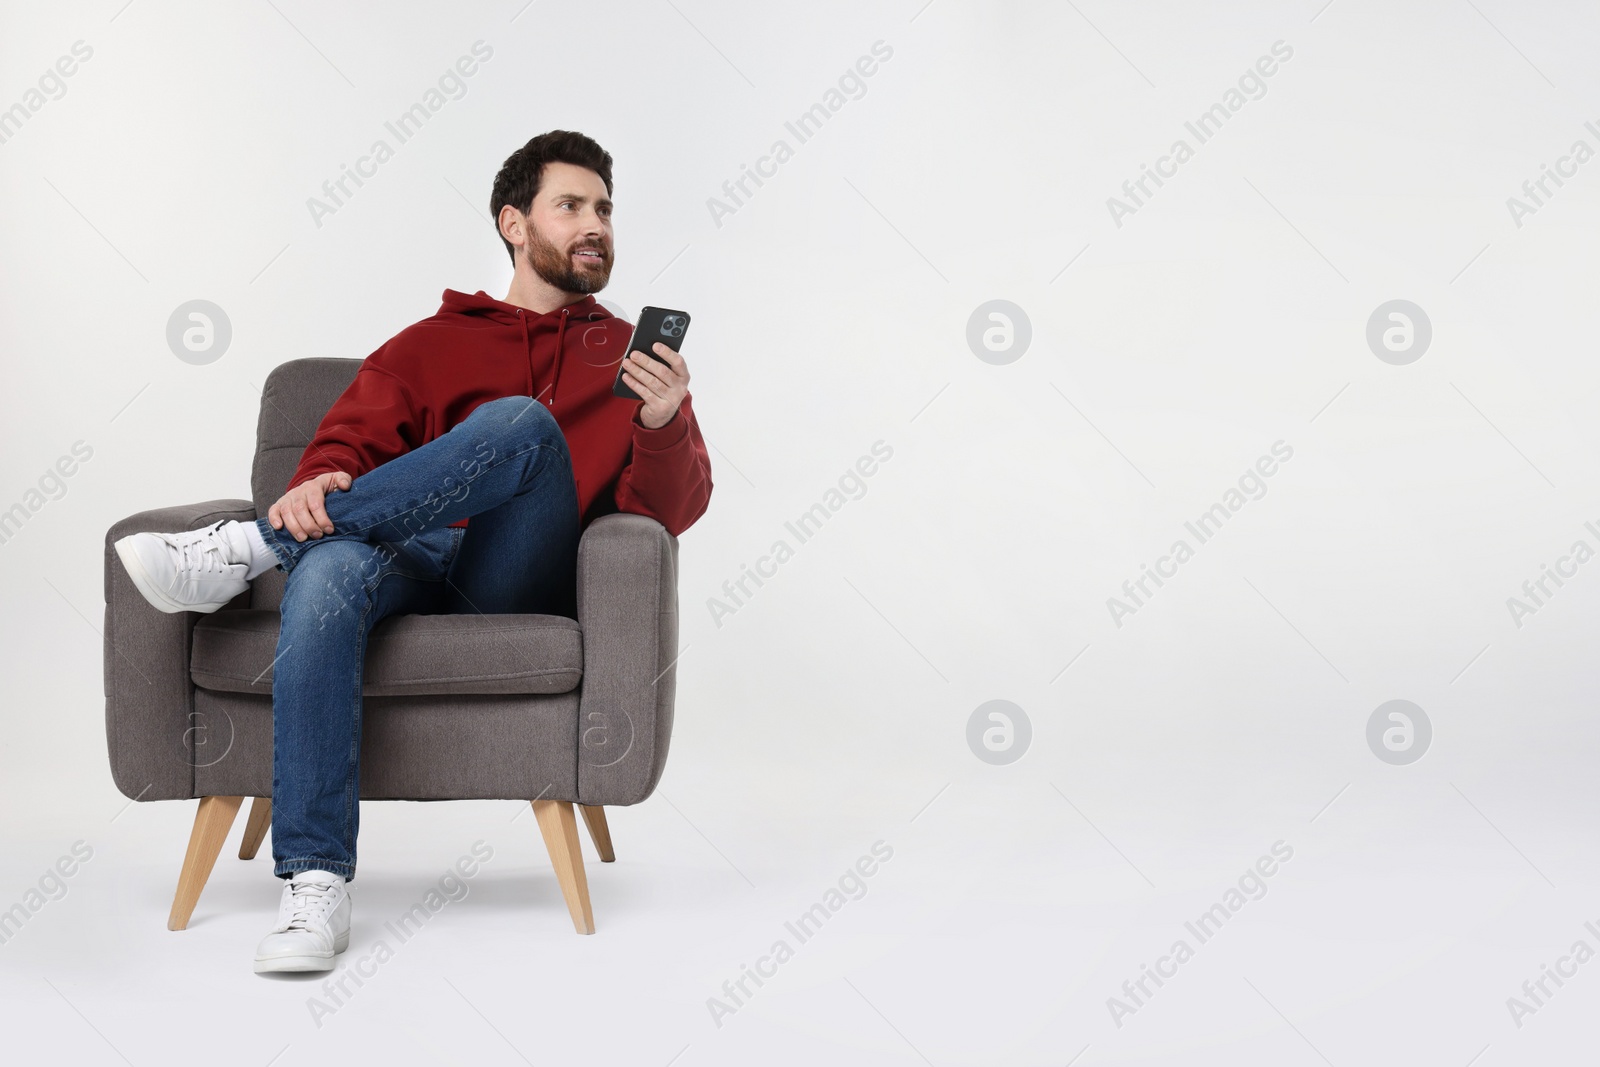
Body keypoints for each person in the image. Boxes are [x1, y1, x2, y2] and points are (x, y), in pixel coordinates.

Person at [112, 130, 712, 974]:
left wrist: (662, 422)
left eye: (605, 209)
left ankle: (252, 547)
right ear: (514, 223)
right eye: (570, 205)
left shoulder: (628, 358)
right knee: (325, 566)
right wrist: (318, 480)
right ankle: (315, 880)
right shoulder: (432, 341)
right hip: (401, 552)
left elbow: (667, 516)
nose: (595, 225)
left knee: (522, 426)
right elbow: (345, 441)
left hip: (511, 572)